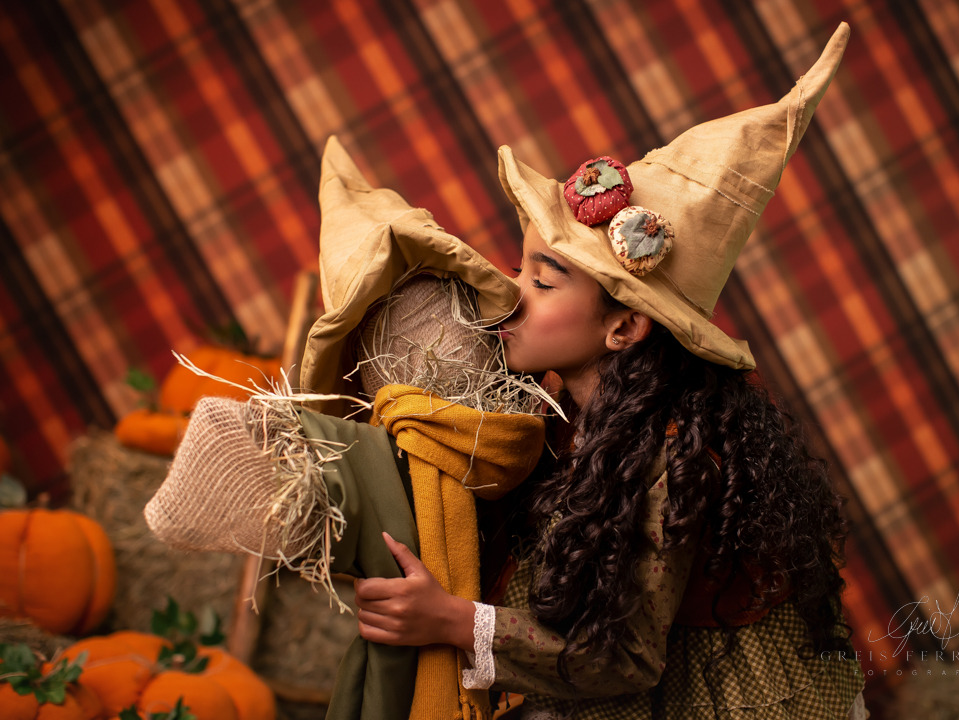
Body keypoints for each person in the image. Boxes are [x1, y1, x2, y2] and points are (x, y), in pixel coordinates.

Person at [352, 23, 867, 719]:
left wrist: (452, 621)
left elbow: (619, 656)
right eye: (518, 267)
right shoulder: (565, 429)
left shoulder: (671, 453)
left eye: (544, 281)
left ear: (622, 327)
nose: (509, 293)